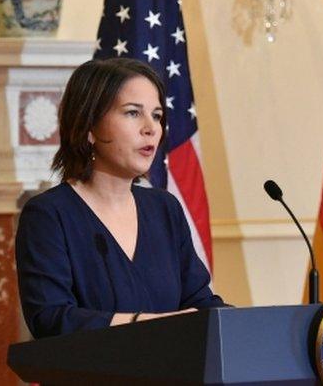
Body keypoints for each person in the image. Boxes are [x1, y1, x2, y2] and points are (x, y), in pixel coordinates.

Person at [15, 58, 226, 339]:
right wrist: (148, 323)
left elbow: (199, 303)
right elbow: (51, 318)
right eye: (132, 113)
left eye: (157, 115)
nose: (151, 128)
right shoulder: (49, 215)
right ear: (89, 126)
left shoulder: (164, 208)